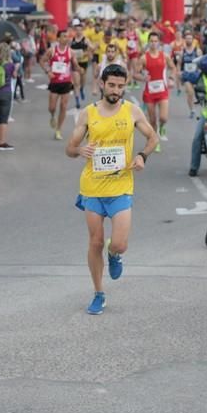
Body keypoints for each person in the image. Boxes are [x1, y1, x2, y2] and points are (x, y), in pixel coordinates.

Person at [66, 63, 159, 315]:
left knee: (117, 243)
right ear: (101, 85)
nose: (116, 90)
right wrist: (79, 150)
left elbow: (153, 138)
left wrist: (141, 156)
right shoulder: (87, 114)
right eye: (112, 85)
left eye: (120, 86)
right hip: (93, 188)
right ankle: (98, 293)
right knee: (94, 242)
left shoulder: (132, 111)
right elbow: (70, 149)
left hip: (121, 187)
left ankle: (115, 254)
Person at [138, 31, 178, 153]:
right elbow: (136, 73)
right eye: (151, 41)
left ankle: (162, 128)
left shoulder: (164, 56)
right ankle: (155, 141)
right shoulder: (144, 58)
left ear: (159, 43)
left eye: (156, 41)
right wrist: (142, 77)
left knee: (163, 117)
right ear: (148, 42)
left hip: (162, 90)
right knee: (152, 120)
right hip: (149, 92)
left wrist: (171, 78)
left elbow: (173, 68)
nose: (154, 43)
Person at [41, 29, 77, 141]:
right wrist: (48, 71)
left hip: (66, 81)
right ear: (58, 38)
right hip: (54, 82)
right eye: (64, 36)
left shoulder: (71, 52)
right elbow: (42, 61)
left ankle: (58, 130)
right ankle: (52, 116)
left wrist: (78, 68)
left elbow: (75, 65)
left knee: (63, 106)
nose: (66, 38)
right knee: (51, 107)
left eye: (67, 36)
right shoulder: (52, 50)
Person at [179, 31, 204, 118]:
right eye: (187, 39)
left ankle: (202, 109)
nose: (188, 40)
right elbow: (179, 64)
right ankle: (192, 110)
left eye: (190, 38)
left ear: (193, 40)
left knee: (199, 94)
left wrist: (202, 73)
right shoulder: (182, 51)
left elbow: (202, 62)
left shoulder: (197, 50)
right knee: (190, 93)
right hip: (187, 75)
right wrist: (180, 73)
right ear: (184, 40)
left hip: (196, 74)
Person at [70, 19, 94, 108]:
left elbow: (92, 48)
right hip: (75, 63)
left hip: (83, 62)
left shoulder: (85, 40)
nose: (78, 32)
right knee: (76, 82)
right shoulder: (71, 40)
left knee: (82, 81)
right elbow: (68, 50)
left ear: (82, 31)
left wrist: (87, 52)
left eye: (80, 30)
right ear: (74, 31)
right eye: (77, 30)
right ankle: (77, 101)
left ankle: (82, 89)